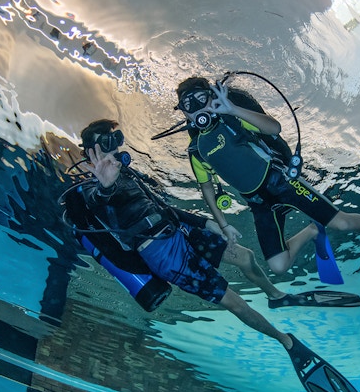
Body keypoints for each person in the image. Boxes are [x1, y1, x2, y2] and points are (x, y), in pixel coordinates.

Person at [63, 118, 315, 355]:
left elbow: (163, 208)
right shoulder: (88, 188)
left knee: (246, 257)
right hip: (163, 255)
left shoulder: (126, 173)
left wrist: (207, 223)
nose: (113, 147)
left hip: (181, 231)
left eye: (114, 139)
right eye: (103, 144)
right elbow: (99, 202)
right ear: (90, 153)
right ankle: (285, 340)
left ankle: (275, 296)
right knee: (233, 301)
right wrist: (105, 187)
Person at [174, 76, 360, 280]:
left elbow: (273, 128)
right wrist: (223, 225)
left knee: (342, 224)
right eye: (188, 105)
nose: (197, 108)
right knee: (278, 266)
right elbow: (206, 187)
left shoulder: (232, 121)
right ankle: (313, 231)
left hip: (283, 184)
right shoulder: (197, 149)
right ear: (184, 114)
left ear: (212, 96)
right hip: (257, 204)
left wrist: (232, 109)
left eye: (201, 98)